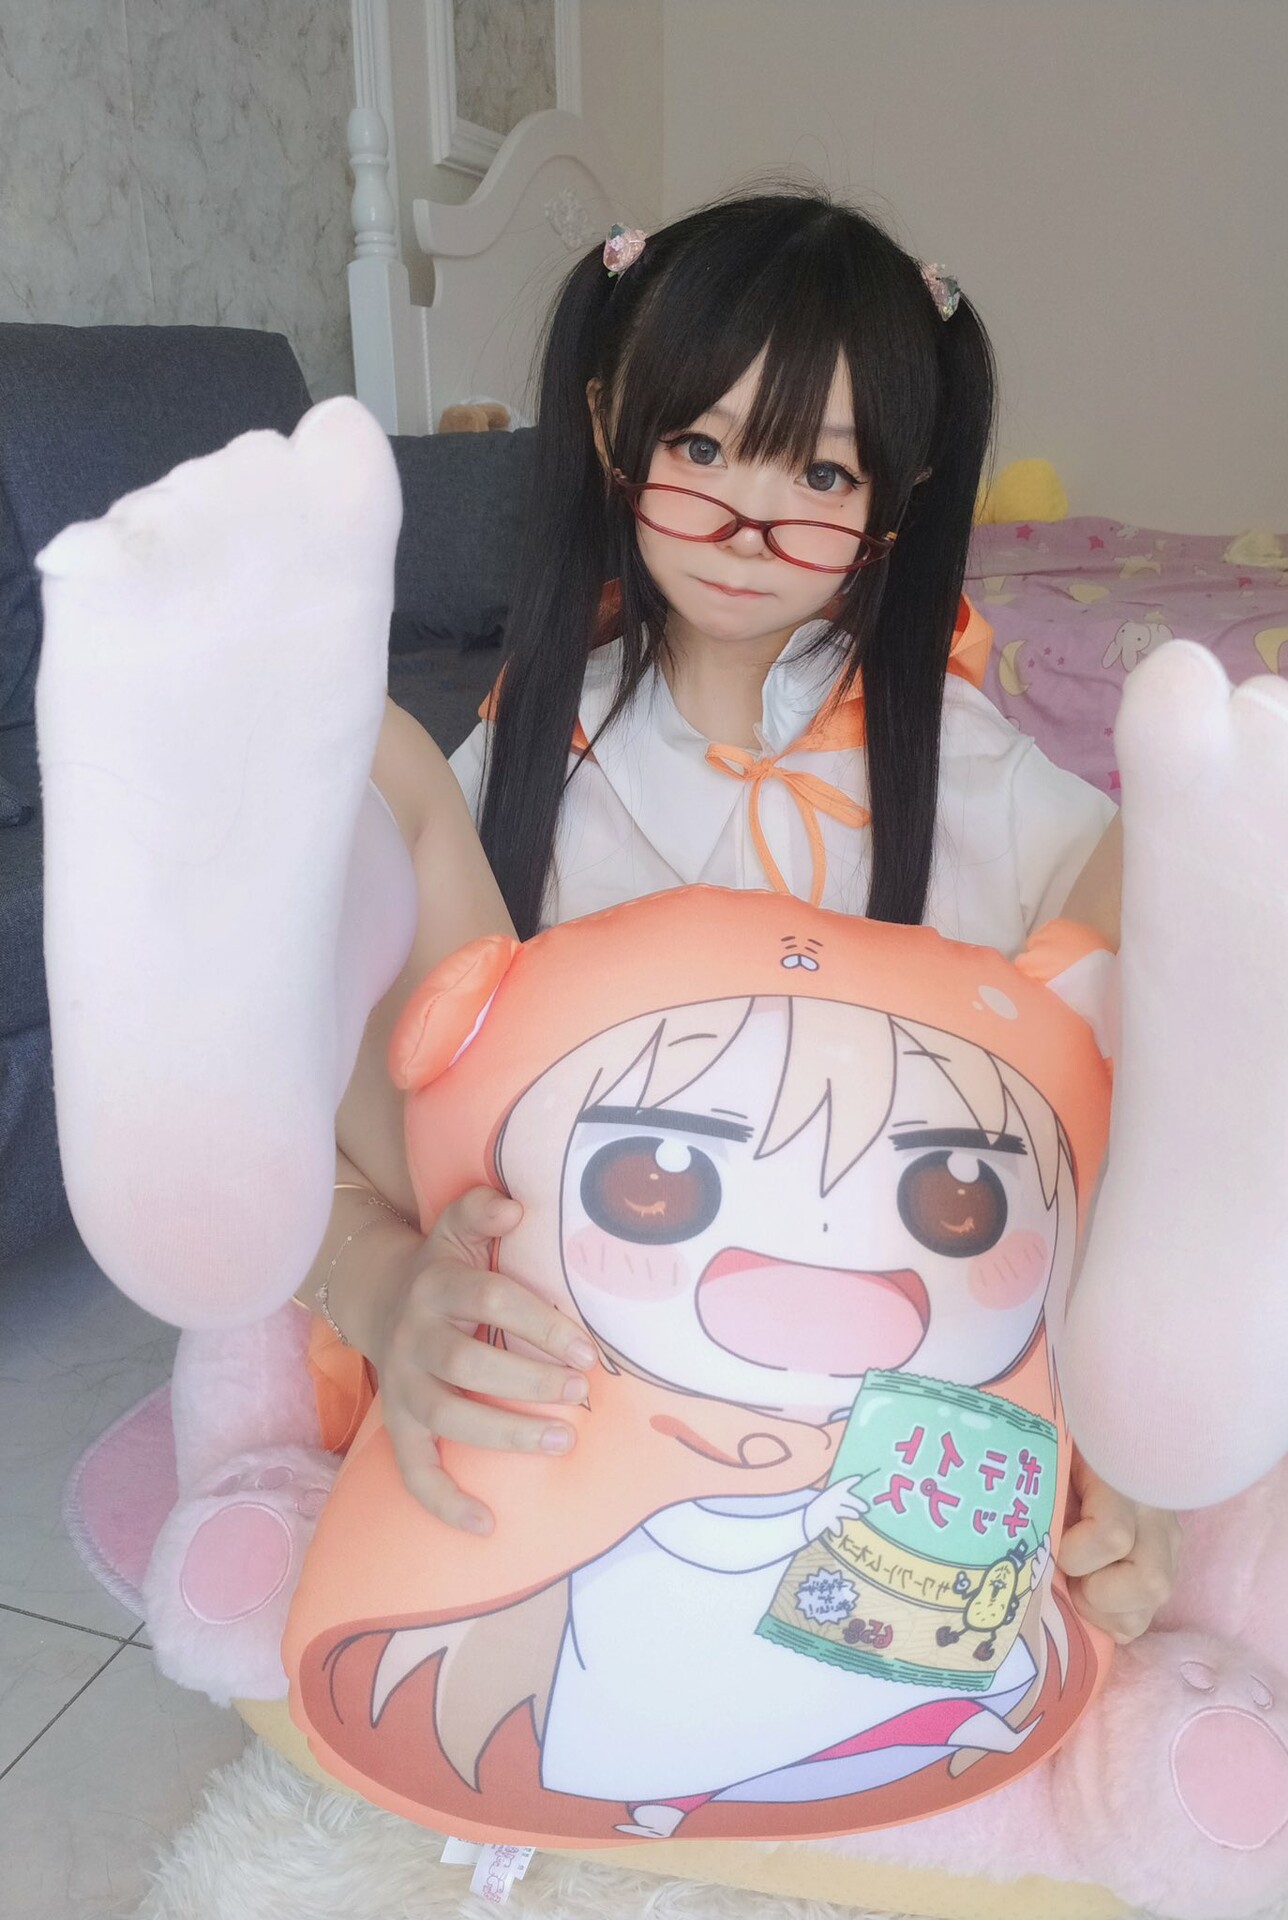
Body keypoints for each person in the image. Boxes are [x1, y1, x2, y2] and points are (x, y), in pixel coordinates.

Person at [285, 193, 1174, 1645]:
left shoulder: (968, 772)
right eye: (699, 448)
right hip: (594, 1378)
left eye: (820, 470)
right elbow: (367, 1106)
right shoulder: (528, 751)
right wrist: (387, 1292)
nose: (749, 523)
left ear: (899, 489)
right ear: (606, 424)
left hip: (882, 1385)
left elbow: (1101, 1094)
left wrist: (1124, 1422)